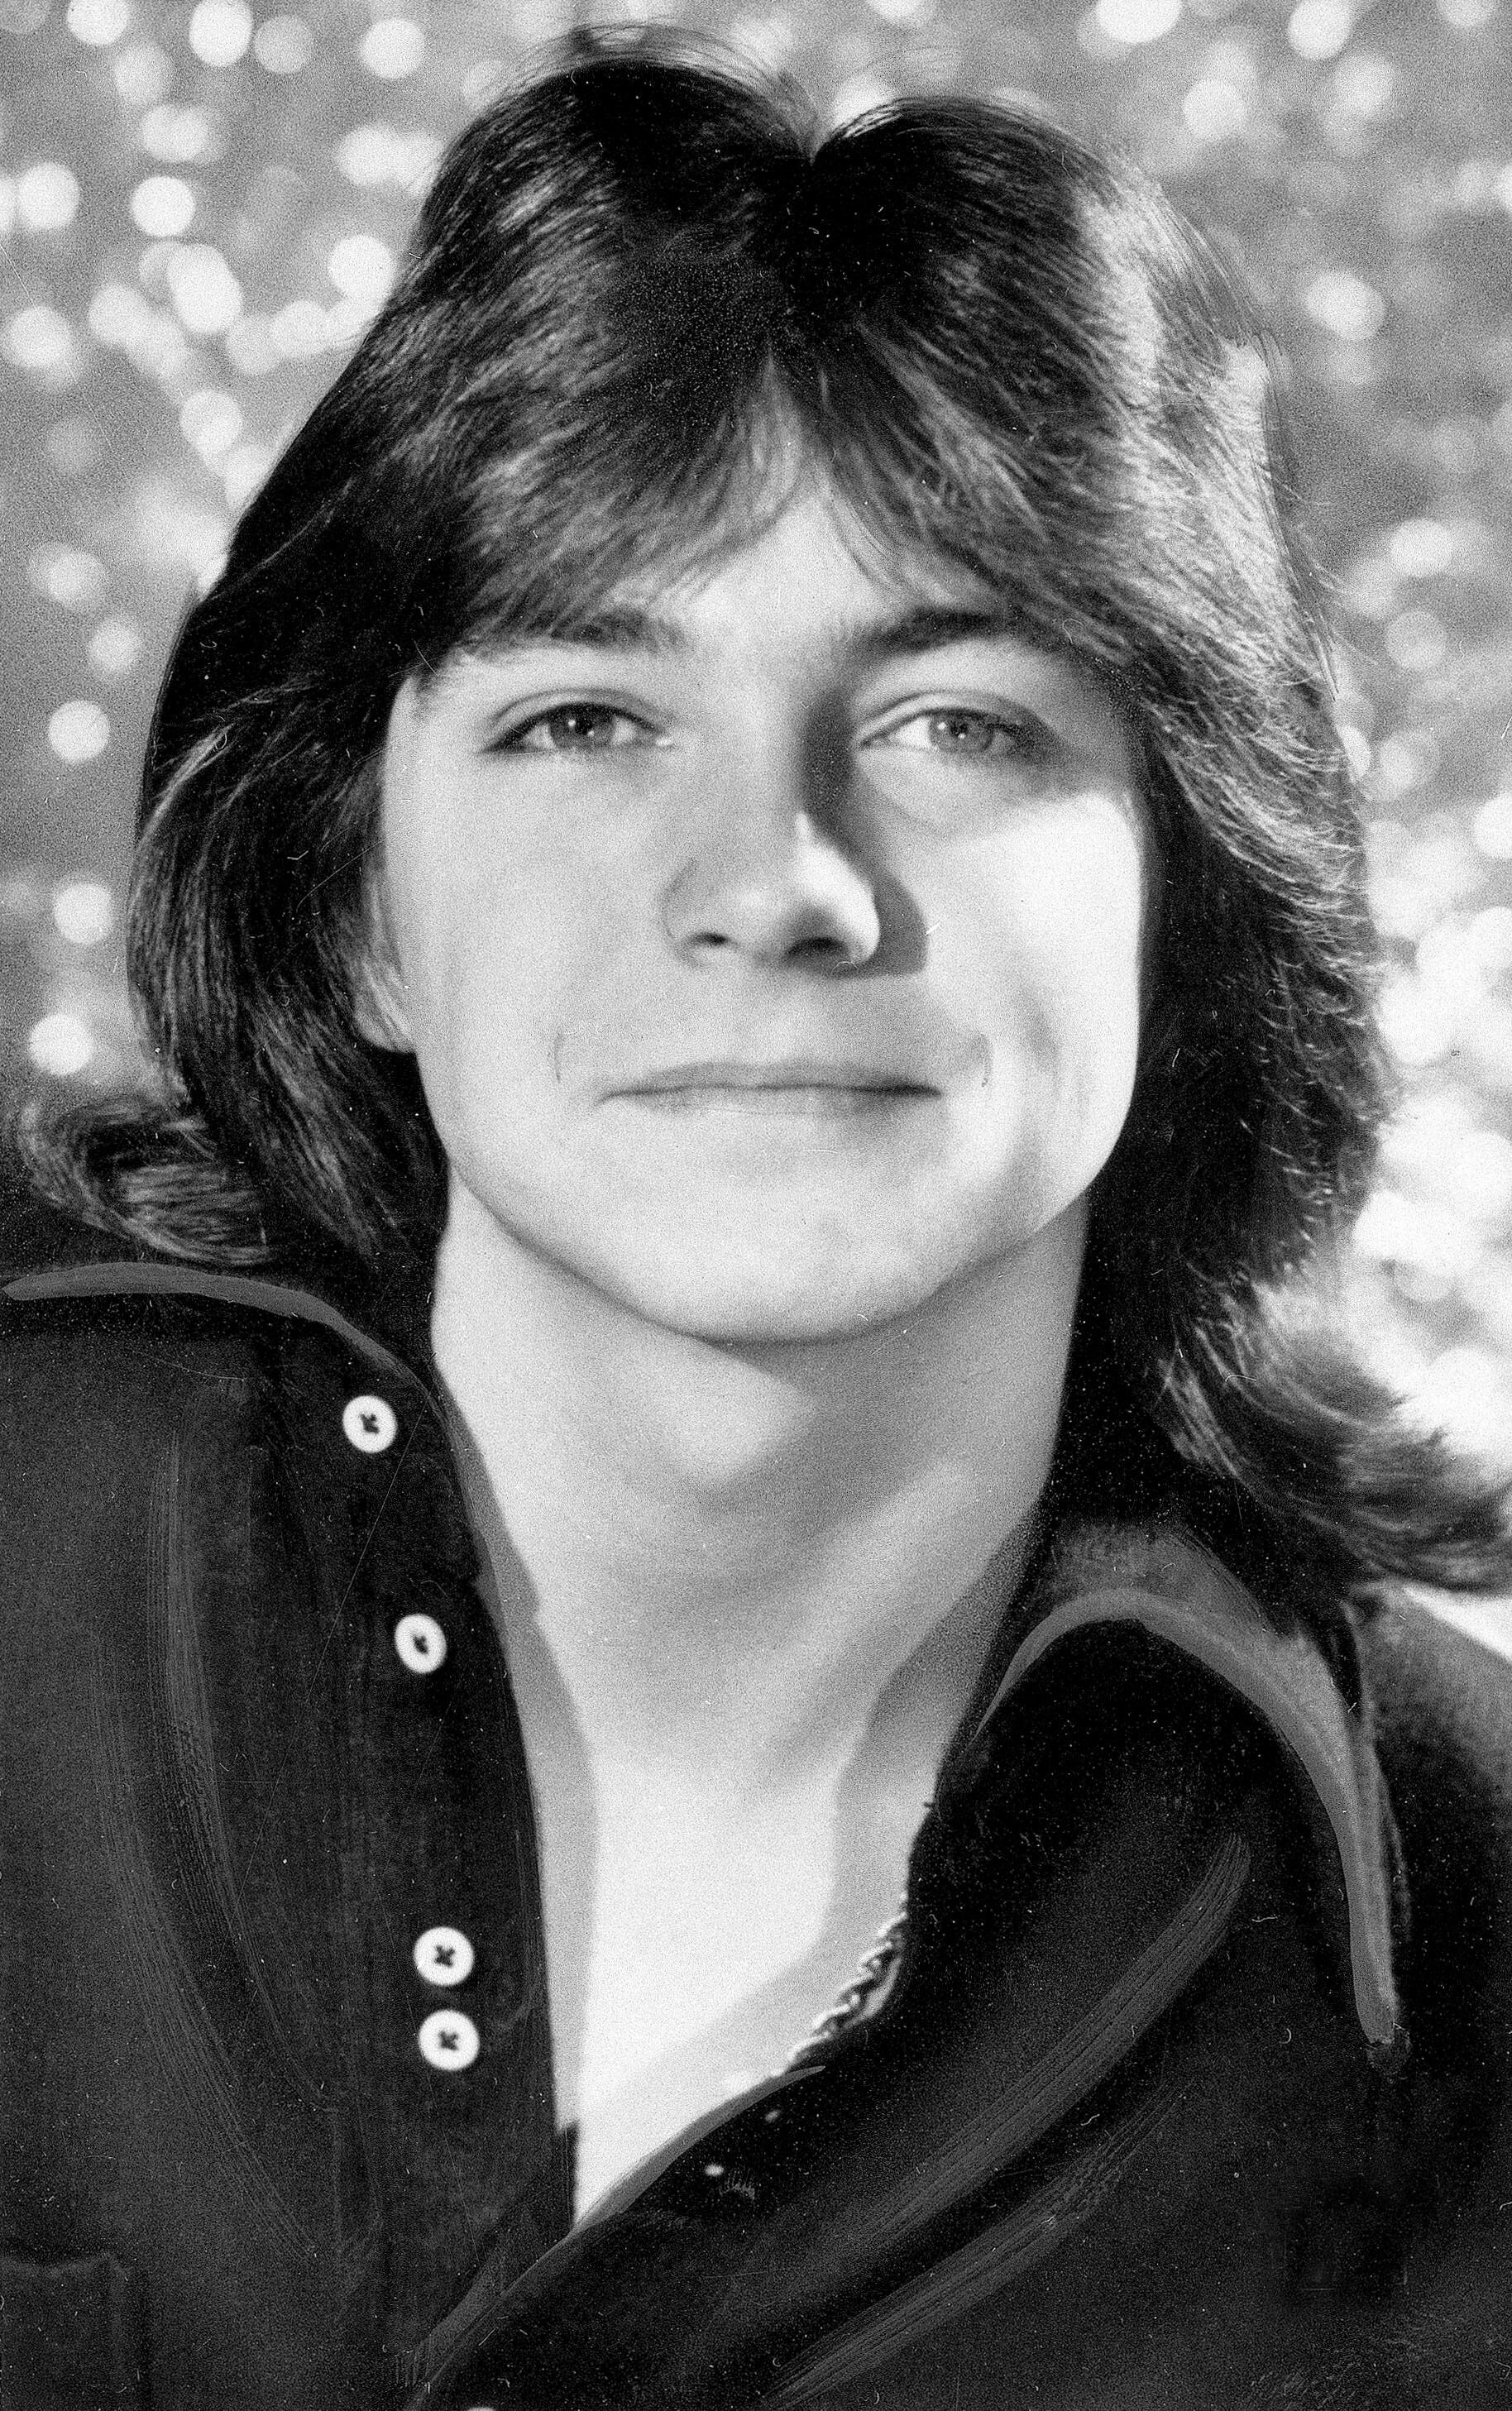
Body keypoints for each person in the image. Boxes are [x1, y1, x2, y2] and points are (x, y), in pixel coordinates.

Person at [4, 31, 1512, 2411]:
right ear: (357, 908)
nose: (777, 882)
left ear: (1186, 905)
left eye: (960, 724)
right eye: (585, 720)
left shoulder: (1459, 1921)